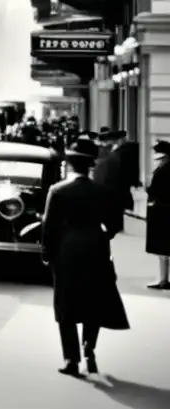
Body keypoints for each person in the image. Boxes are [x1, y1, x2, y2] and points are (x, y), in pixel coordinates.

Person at [41, 136, 130, 376]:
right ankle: (89, 346)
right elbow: (113, 224)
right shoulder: (101, 191)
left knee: (65, 305)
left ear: (69, 164)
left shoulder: (58, 191)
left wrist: (47, 254)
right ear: (90, 165)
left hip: (67, 250)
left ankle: (71, 359)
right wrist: (100, 237)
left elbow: (49, 227)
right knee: (94, 300)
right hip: (96, 248)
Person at [146, 140, 170, 290]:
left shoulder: (162, 169)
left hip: (163, 210)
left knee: (163, 248)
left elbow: (154, 189)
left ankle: (164, 279)